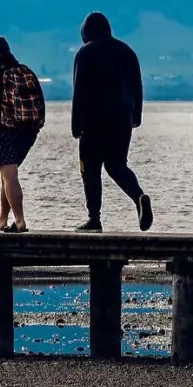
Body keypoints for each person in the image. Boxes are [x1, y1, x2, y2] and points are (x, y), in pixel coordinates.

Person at [71, 12, 153, 232]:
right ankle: (139, 197)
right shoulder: (128, 52)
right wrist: (136, 116)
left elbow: (80, 91)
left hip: (94, 121)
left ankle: (94, 219)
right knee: (117, 166)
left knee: (90, 169)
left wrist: (76, 124)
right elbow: (138, 88)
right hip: (122, 120)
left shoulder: (85, 53)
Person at [0, 36, 45, 234]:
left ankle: (20, 222)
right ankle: (2, 219)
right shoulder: (25, 72)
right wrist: (34, 129)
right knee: (7, 174)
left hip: (1, 132)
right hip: (27, 133)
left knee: (9, 175)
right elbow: (40, 103)